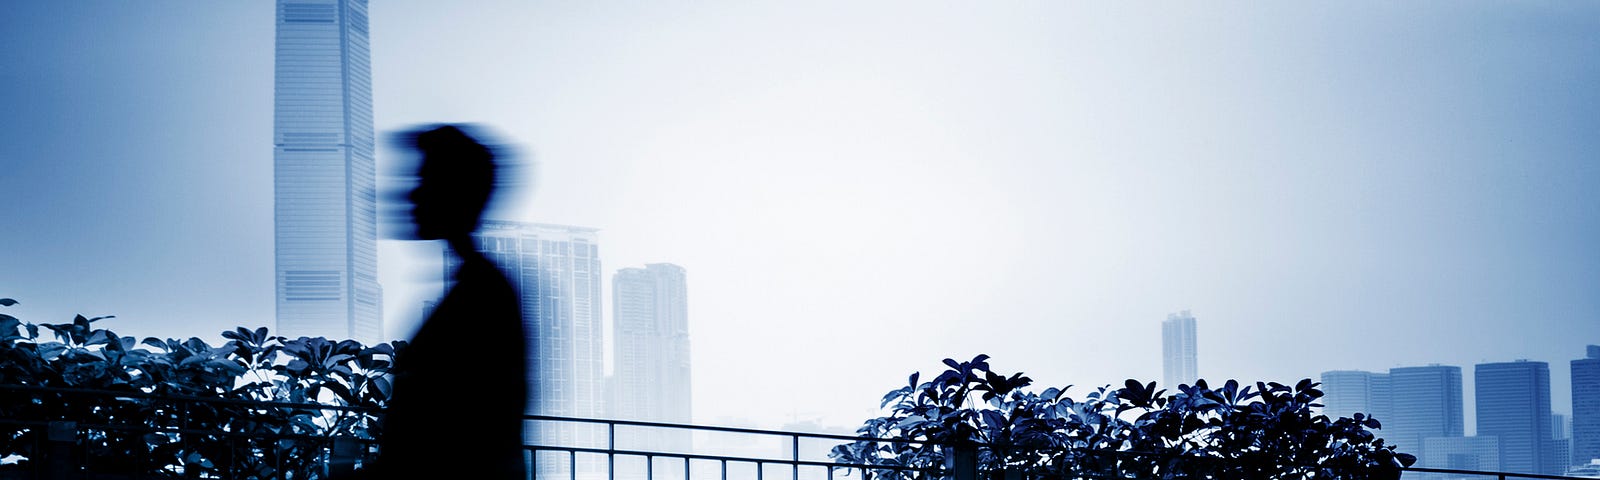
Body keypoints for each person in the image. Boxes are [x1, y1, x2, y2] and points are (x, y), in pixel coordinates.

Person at [370, 125, 527, 477]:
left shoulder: (481, 296)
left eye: (423, 181)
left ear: (455, 194)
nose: (409, 195)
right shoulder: (478, 287)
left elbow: (459, 436)